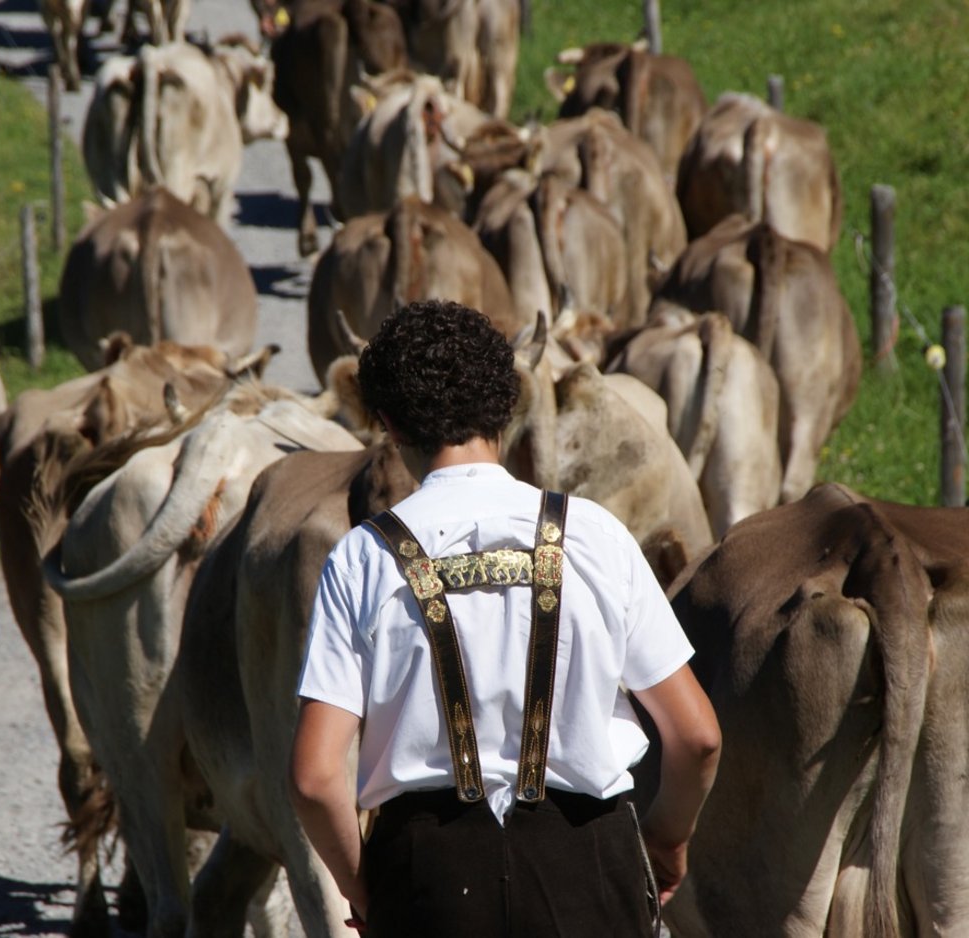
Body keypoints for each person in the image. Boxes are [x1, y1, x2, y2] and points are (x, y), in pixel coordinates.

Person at [289, 299, 721, 937]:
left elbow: (316, 775)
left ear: (387, 423)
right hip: (590, 865)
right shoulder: (594, 535)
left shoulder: (363, 558)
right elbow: (698, 738)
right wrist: (665, 840)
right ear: (507, 402)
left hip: (426, 877)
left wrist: (367, 887)